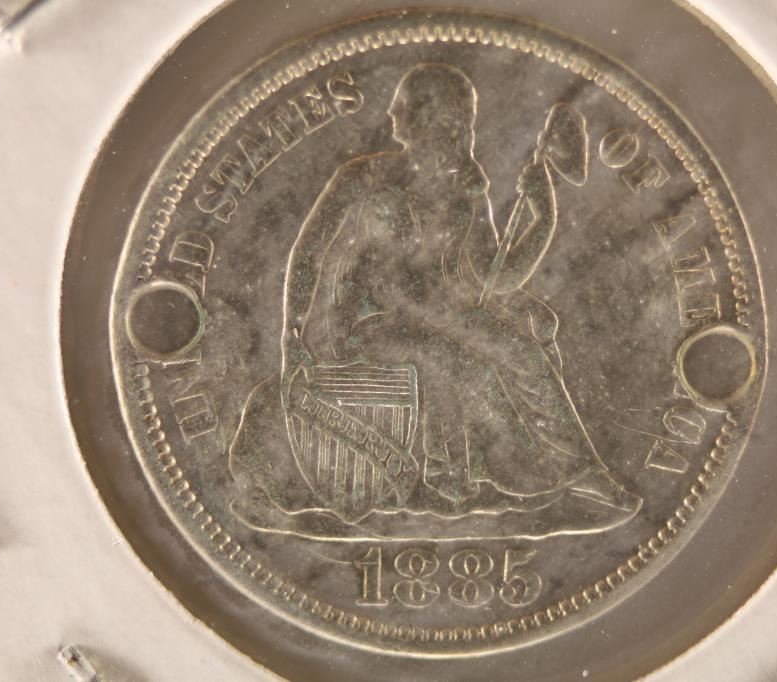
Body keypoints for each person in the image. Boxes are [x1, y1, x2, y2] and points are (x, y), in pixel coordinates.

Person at [272, 63, 640, 521]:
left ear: (434, 116)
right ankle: (449, 477)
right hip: (366, 324)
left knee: (521, 347)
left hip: (437, 310)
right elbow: (309, 253)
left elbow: (492, 280)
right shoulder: (362, 178)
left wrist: (542, 217)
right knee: (445, 356)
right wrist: (293, 332)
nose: (392, 113)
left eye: (404, 104)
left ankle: (576, 471)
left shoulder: (466, 189)